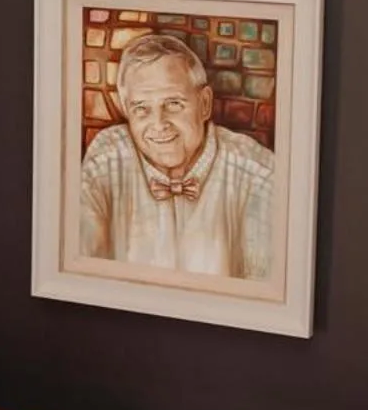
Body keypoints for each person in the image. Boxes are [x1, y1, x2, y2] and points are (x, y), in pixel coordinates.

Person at [79, 32, 275, 280]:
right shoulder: (106, 160)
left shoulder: (260, 175)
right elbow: (80, 270)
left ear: (204, 103)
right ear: (126, 111)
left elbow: (266, 297)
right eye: (142, 109)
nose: (159, 124)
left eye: (173, 104)